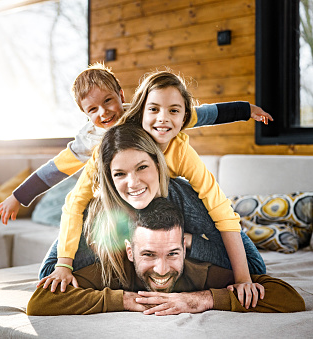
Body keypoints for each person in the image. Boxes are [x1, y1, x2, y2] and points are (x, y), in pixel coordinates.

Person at [41, 71, 266, 306]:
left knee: (251, 268)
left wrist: (189, 244)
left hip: (174, 212)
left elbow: (223, 213)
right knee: (54, 271)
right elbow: (73, 205)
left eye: (142, 168)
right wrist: (64, 265)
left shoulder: (179, 160)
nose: (163, 119)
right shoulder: (106, 155)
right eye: (120, 173)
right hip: (113, 212)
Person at [0, 64, 272, 225]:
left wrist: (246, 110)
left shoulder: (144, 114)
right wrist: (19, 197)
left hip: (159, 189)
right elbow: (55, 169)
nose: (103, 113)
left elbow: (202, 114)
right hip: (124, 199)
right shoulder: (90, 140)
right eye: (93, 110)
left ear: (121, 94)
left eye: (108, 101)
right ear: (85, 114)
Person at [27, 198, 305, 316]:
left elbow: (288, 297)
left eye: (172, 254)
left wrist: (201, 300)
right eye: (148, 254)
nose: (161, 269)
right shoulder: (112, 269)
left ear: (184, 249)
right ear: (130, 252)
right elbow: (41, 302)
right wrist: (126, 300)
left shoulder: (201, 270)